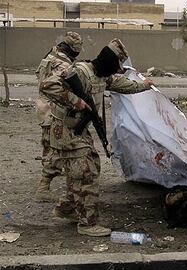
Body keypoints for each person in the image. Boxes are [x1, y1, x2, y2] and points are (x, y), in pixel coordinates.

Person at [39, 38, 154, 237]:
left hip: (77, 131)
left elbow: (121, 84)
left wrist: (143, 85)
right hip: (65, 130)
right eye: (115, 66)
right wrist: (76, 101)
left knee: (83, 170)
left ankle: (67, 208)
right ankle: (87, 224)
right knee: (87, 172)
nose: (115, 71)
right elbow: (47, 85)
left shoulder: (102, 76)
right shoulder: (82, 72)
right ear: (108, 61)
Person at [34, 31, 83, 202]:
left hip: (43, 105)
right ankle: (43, 188)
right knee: (53, 147)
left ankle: (47, 181)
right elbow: (59, 86)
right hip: (52, 108)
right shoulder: (62, 63)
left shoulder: (50, 54)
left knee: (49, 144)